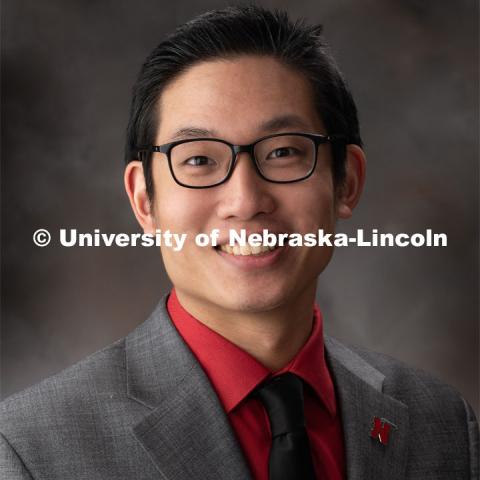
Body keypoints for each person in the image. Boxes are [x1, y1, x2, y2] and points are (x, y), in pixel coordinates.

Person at [0, 5, 478, 480]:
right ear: (144, 200)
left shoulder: (442, 423)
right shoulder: (31, 448)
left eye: (284, 152)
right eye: (199, 160)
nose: (246, 200)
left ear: (346, 182)